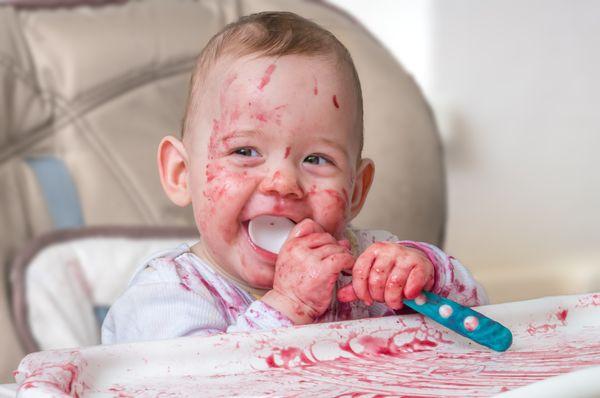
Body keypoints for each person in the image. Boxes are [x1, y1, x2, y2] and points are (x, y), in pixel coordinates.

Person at [101, 11, 487, 344]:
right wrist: (290, 306)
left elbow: (477, 332)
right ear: (181, 174)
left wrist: (428, 272)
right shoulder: (166, 298)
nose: (282, 182)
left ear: (356, 190)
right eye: (245, 152)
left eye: (317, 159)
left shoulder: (370, 269)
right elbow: (198, 386)